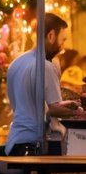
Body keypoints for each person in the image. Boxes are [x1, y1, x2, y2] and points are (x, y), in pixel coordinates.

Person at [5, 13, 82, 155]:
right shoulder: (45, 66)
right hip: (35, 144)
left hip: (14, 142)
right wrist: (78, 111)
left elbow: (32, 104)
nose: (62, 48)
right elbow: (54, 109)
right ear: (51, 36)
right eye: (62, 41)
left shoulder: (16, 63)